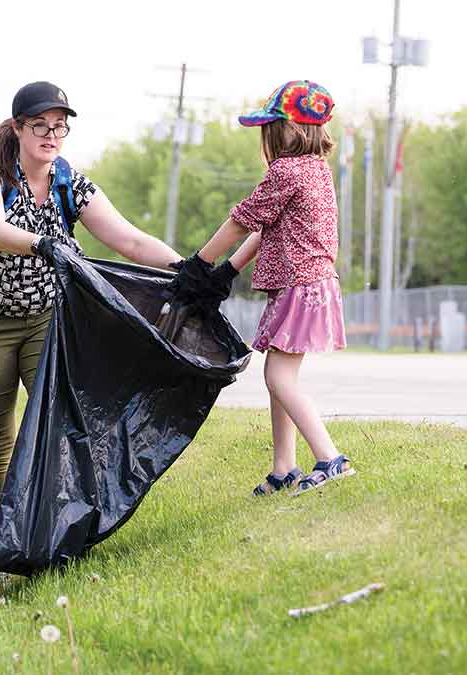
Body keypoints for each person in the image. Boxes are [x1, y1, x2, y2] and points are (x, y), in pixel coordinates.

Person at [0, 81, 185, 582]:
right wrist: (43, 244)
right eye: (40, 126)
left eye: (59, 127)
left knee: (67, 426)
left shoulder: (70, 183)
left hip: (46, 321)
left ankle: (58, 542)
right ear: (18, 128)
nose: (51, 135)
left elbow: (129, 241)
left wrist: (187, 269)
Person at [192, 80, 355, 497]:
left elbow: (244, 219)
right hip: (306, 285)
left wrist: (200, 263)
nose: (265, 138)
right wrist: (228, 270)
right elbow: (267, 227)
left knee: (279, 377)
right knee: (278, 377)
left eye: (270, 128)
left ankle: (331, 459)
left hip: (301, 285)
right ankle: (284, 467)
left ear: (289, 129)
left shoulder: (287, 171)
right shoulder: (316, 170)